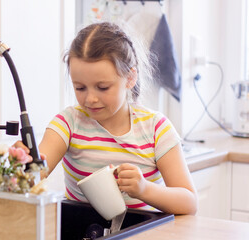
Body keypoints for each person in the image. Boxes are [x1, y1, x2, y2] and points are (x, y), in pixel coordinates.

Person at [16, 22, 197, 215]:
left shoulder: (156, 128)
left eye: (102, 87)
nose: (90, 99)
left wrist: (144, 189)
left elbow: (189, 203)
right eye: (80, 88)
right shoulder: (68, 123)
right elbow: (32, 178)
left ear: (130, 78)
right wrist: (20, 166)